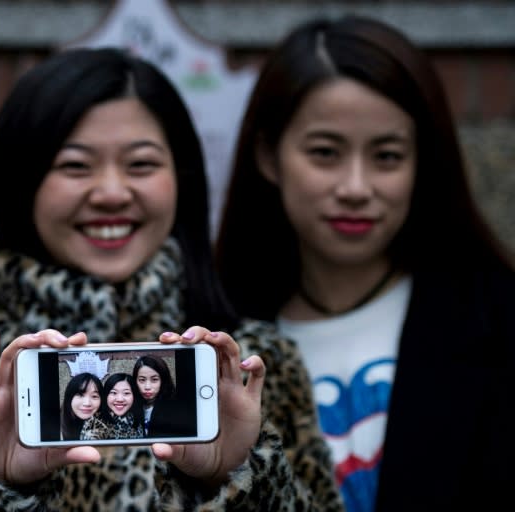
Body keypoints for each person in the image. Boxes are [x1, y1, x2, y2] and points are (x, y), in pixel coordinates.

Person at [0, 47, 343, 511]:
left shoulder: (251, 364)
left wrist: (238, 478)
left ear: (181, 179)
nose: (111, 192)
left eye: (141, 164)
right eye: (75, 166)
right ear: (23, 180)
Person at [215, 15, 515, 512]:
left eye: (387, 156)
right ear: (268, 155)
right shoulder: (213, 338)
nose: (356, 187)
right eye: (325, 152)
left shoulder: (498, 322)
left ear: (423, 163)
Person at [132, 354, 188, 437]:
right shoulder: (130, 408)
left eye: (154, 380)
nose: (147, 387)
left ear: (163, 380)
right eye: (142, 380)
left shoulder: (175, 410)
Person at [94, 372, 144, 440]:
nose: (119, 399)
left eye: (126, 393)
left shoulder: (137, 419)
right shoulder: (95, 423)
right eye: (113, 393)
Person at [60, 372, 105, 440]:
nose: (87, 403)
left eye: (94, 396)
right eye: (80, 395)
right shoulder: (52, 428)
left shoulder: (106, 427)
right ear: (69, 398)